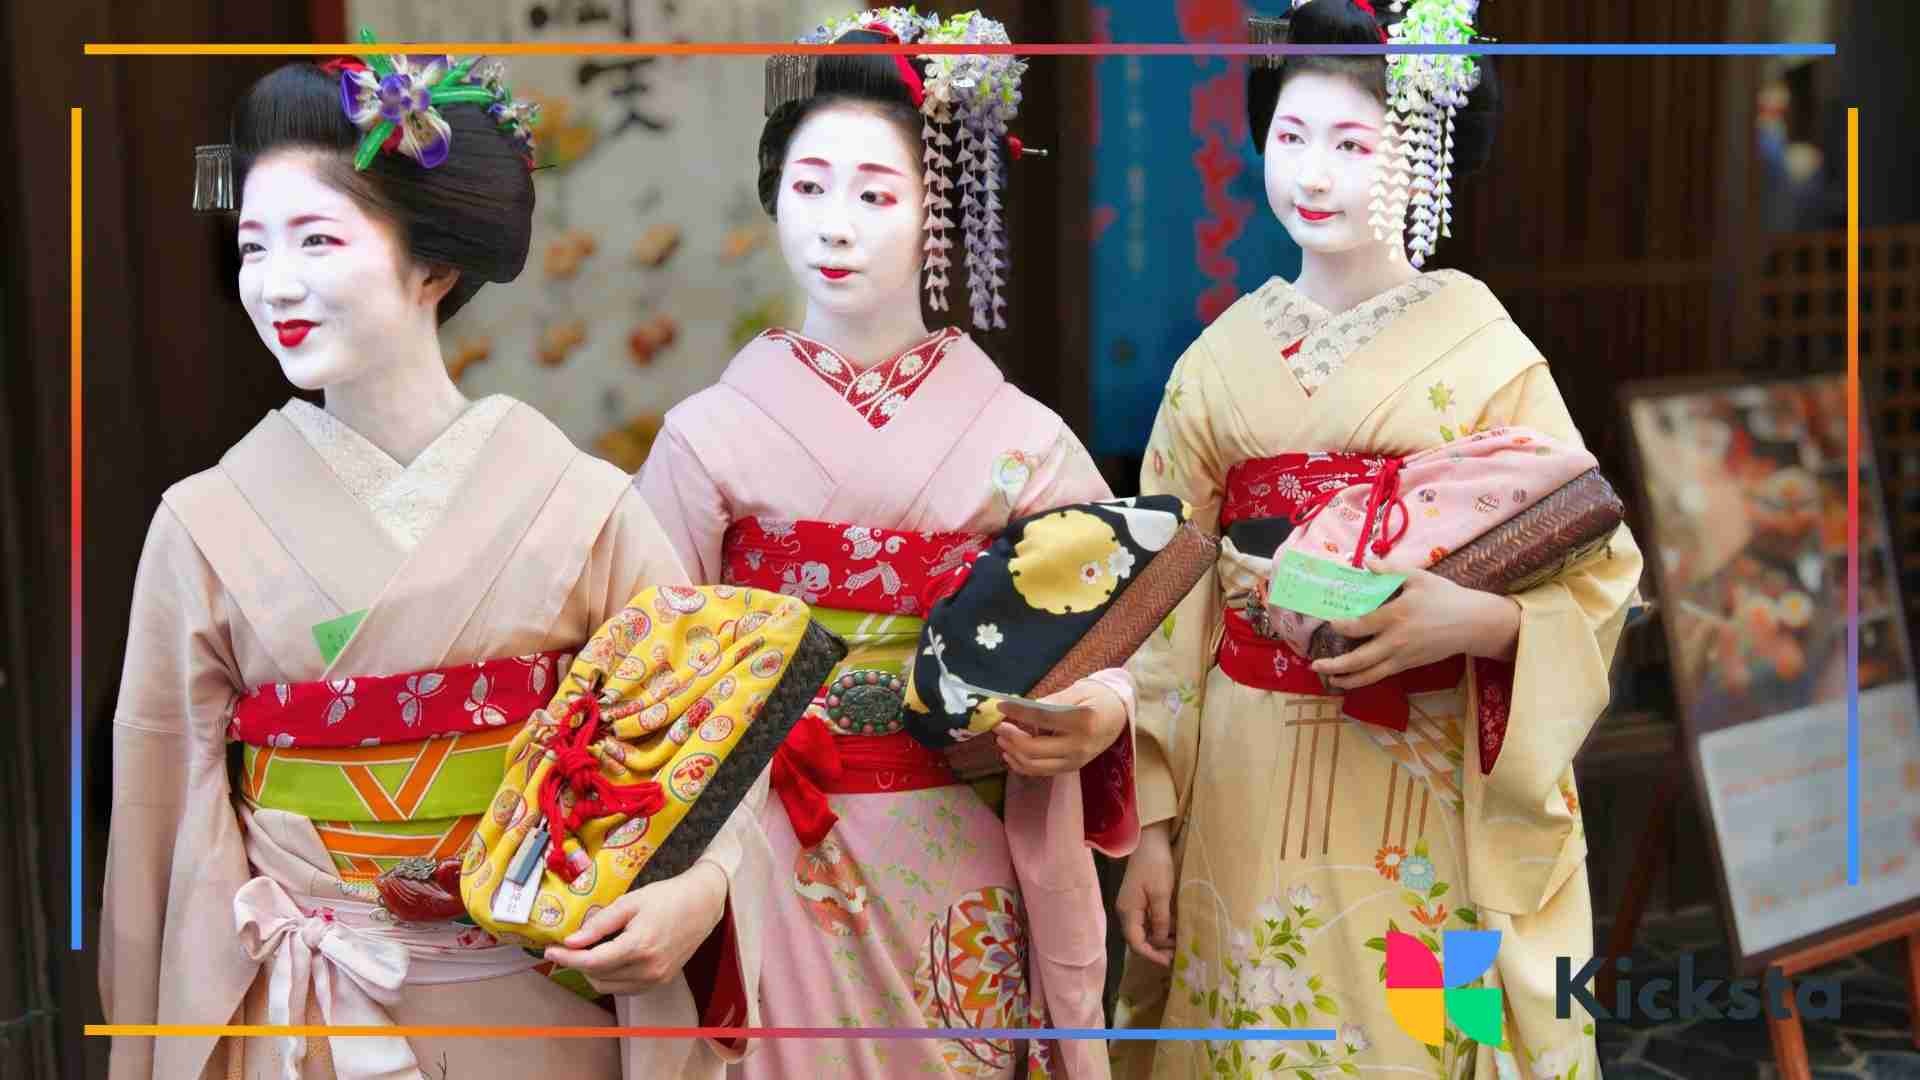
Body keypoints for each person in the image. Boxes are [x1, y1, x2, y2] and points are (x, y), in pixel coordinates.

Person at [100, 48, 760, 1079]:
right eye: (253, 246)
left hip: (540, 1003)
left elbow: (705, 744)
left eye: (317, 239)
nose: (275, 283)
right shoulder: (203, 524)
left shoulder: (581, 507)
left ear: (434, 266)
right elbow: (157, 827)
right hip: (307, 1011)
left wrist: (700, 890)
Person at [1110, 3, 1642, 1077]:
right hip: (1243, 779)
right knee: (1244, 1028)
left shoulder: (1487, 352)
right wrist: (1153, 824)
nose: (1314, 174)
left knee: (1421, 1031)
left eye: (1355, 145)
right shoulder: (1215, 365)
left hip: (1419, 774)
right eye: (1290, 136)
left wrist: (1480, 620)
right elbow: (1161, 609)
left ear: (1424, 152)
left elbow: (1599, 578)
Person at [635, 10, 1138, 1077]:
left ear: (937, 208)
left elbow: (1123, 640)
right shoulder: (708, 436)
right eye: (810, 188)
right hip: (770, 843)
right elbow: (643, 665)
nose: (836, 225)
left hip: (958, 840)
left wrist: (1095, 710)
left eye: (877, 193)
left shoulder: (1020, 438)